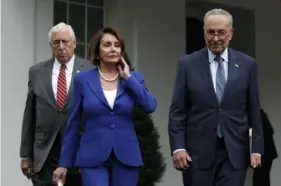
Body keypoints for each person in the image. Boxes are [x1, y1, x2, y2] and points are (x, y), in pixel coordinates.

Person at [168, 9, 264, 186]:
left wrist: (257, 148)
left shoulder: (247, 64)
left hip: (234, 152)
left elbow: (253, 109)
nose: (215, 38)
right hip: (197, 154)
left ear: (231, 33)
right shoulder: (187, 64)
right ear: (204, 32)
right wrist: (178, 147)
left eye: (221, 32)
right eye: (210, 32)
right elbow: (177, 111)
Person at [53, 26, 157, 186]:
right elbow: (73, 124)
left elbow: (150, 106)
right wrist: (63, 163)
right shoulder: (83, 80)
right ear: (97, 49)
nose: (113, 49)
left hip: (126, 156)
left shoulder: (134, 78)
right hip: (92, 156)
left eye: (117, 45)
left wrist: (128, 78)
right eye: (107, 45)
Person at [19, 22, 93, 186]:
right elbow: (30, 114)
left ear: (74, 43)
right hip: (45, 152)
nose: (61, 47)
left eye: (65, 42)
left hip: (78, 150)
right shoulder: (37, 72)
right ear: (51, 46)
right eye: (56, 43)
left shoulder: (90, 69)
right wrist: (26, 155)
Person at [252, 109, 278, 186]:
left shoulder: (254, 113)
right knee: (262, 178)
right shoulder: (258, 113)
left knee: (260, 179)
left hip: (264, 152)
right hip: (267, 151)